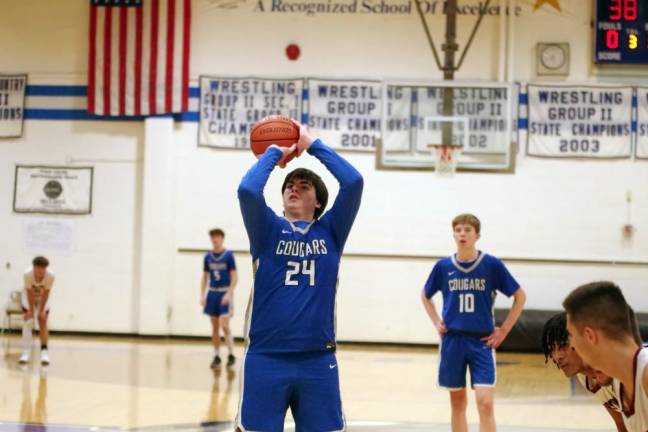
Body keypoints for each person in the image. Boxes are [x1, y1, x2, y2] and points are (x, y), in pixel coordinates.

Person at [235, 120, 363, 431]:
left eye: (304, 186)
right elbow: (248, 190)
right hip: (266, 357)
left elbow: (354, 182)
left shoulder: (331, 231)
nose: (294, 188)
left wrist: (311, 144)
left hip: (317, 360)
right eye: (290, 185)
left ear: (318, 202)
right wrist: (274, 153)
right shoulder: (266, 229)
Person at [421, 213, 526, 432]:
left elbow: (520, 296)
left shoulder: (491, 264)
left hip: (482, 342)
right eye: (458, 229)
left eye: (467, 230)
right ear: (453, 234)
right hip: (453, 341)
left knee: (485, 404)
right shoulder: (443, 266)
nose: (462, 234)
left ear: (477, 235)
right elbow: (425, 295)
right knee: (457, 403)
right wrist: (436, 321)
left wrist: (504, 330)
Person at [564, 281, 648, 431]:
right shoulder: (620, 380)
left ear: (590, 336)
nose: (571, 345)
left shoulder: (646, 373)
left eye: (571, 334)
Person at [541, 312, 626, 431]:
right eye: (551, 349)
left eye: (563, 346)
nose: (557, 356)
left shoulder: (626, 368)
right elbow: (622, 424)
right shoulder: (585, 377)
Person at [201, 228, 238, 369]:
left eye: (217, 237)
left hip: (224, 293)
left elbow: (235, 277)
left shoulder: (228, 256)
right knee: (215, 327)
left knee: (225, 325)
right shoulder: (208, 257)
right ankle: (216, 356)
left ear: (222, 238)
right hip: (212, 293)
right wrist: (203, 295)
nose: (215, 239)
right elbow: (204, 278)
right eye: (213, 237)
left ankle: (231, 354)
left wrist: (229, 293)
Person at [19, 256, 54, 365]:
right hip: (28, 297)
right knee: (28, 322)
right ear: (33, 267)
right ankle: (25, 352)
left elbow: (46, 293)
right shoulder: (27, 274)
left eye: (42, 268)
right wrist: (30, 310)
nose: (40, 271)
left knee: (43, 322)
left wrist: (42, 310)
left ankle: (44, 352)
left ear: (46, 269)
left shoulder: (51, 276)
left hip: (42, 298)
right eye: (37, 268)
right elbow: (29, 292)